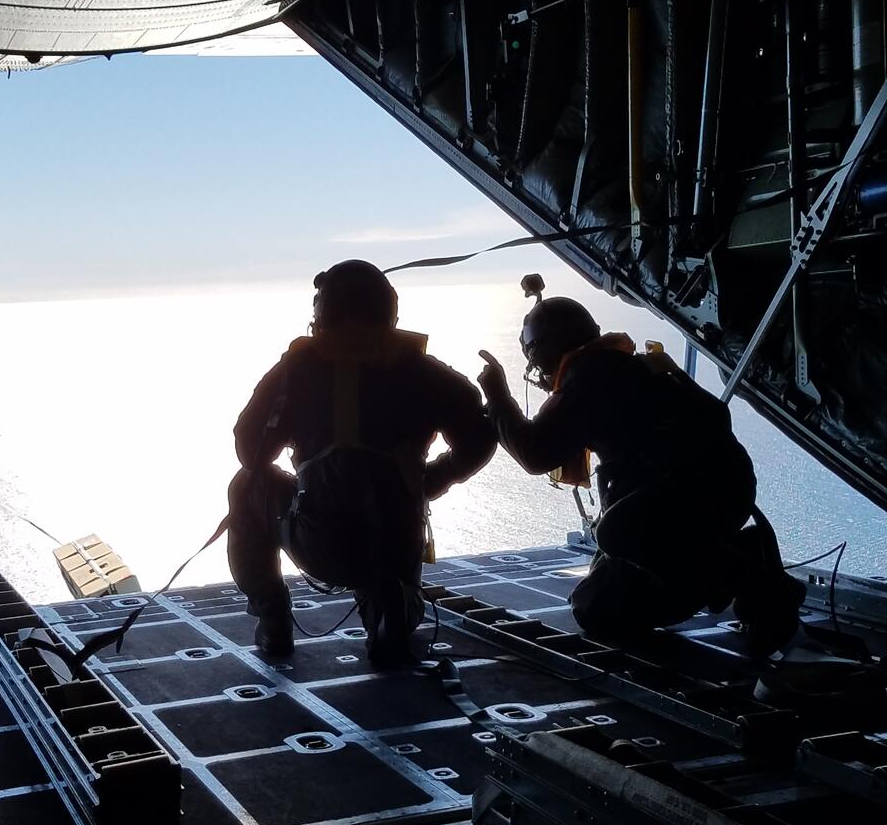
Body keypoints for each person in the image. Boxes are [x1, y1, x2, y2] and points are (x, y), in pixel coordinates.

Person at [476, 292, 804, 656]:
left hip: (685, 499)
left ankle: (742, 574)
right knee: (593, 604)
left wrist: (498, 399)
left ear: (544, 351)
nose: (542, 375)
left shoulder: (590, 378)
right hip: (722, 490)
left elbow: (537, 453)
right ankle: (738, 552)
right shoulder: (632, 364)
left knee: (616, 533)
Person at [227, 260, 496, 665]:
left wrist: (291, 401)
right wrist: (430, 481)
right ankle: (390, 612)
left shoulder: (297, 371)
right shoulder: (425, 372)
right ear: (390, 314)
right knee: (392, 567)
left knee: (244, 486)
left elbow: (250, 454)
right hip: (395, 541)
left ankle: (273, 619)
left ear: (322, 313)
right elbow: (481, 439)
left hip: (322, 542)